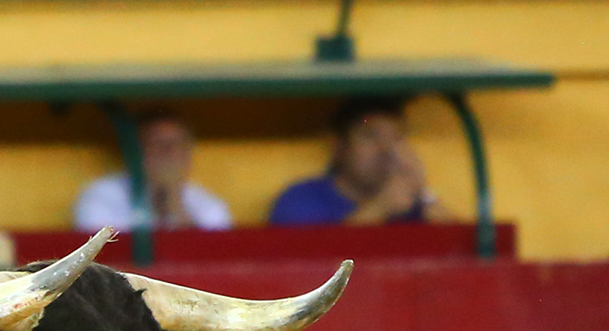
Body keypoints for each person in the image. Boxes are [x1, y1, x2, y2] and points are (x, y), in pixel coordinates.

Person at [269, 95, 453, 226]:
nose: (386, 150)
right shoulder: (301, 199)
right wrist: (381, 207)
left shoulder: (413, 208)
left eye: (396, 138)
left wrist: (423, 194)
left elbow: (462, 253)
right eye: (370, 136)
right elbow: (319, 262)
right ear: (339, 146)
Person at [72, 112, 231, 232]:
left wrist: (174, 201)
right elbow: (102, 252)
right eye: (157, 144)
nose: (167, 152)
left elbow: (210, 253)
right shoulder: (101, 194)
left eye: (176, 144)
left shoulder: (206, 202)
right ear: (136, 150)